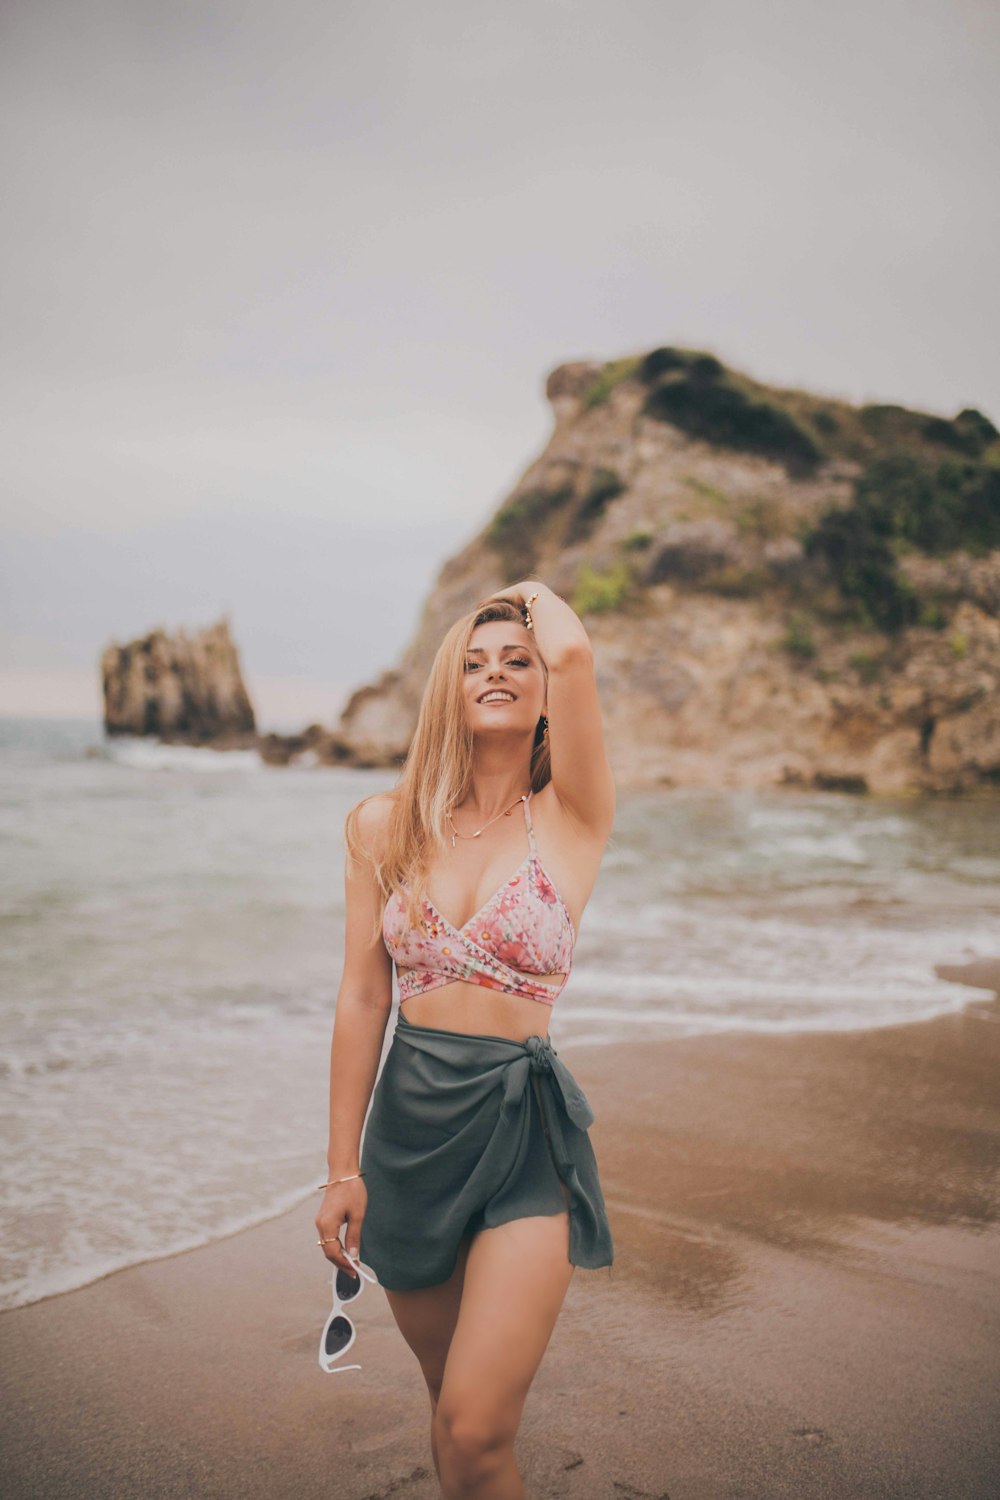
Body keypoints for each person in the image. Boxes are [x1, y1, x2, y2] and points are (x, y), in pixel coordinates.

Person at [316, 579, 616, 1498]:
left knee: (479, 1428)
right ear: (447, 689)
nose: (495, 673)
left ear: (542, 694)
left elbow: (572, 652)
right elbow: (364, 998)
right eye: (474, 662)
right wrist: (341, 1170)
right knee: (449, 1412)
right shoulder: (382, 826)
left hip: (524, 1137)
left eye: (513, 662)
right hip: (407, 1141)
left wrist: (526, 599)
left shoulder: (571, 817)